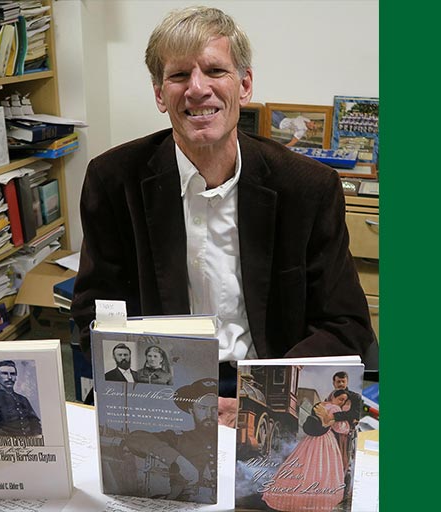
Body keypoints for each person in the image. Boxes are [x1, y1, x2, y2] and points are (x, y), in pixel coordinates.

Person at [71, 6, 373, 400]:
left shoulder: (307, 188)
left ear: (245, 85)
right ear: (160, 95)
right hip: (160, 385)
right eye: (179, 75)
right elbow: (93, 315)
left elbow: (345, 324)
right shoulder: (113, 181)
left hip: (267, 382)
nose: (197, 88)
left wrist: (257, 398)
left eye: (215, 71)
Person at [123, 378, 218, 503]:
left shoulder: (236, 441)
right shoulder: (178, 438)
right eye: (202, 408)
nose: (209, 415)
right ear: (191, 410)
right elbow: (135, 438)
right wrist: (179, 461)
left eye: (215, 408)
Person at [261, 396, 346, 511]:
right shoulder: (335, 408)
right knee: (322, 471)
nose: (342, 402)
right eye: (341, 399)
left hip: (310, 439)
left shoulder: (319, 405)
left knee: (303, 465)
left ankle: (298, 499)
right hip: (325, 439)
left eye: (344, 400)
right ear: (334, 397)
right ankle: (313, 502)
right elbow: (340, 428)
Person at [0, 360, 42, 436]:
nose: (9, 377)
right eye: (4, 374)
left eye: (13, 374)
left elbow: (35, 422)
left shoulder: (23, 399)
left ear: (16, 377)